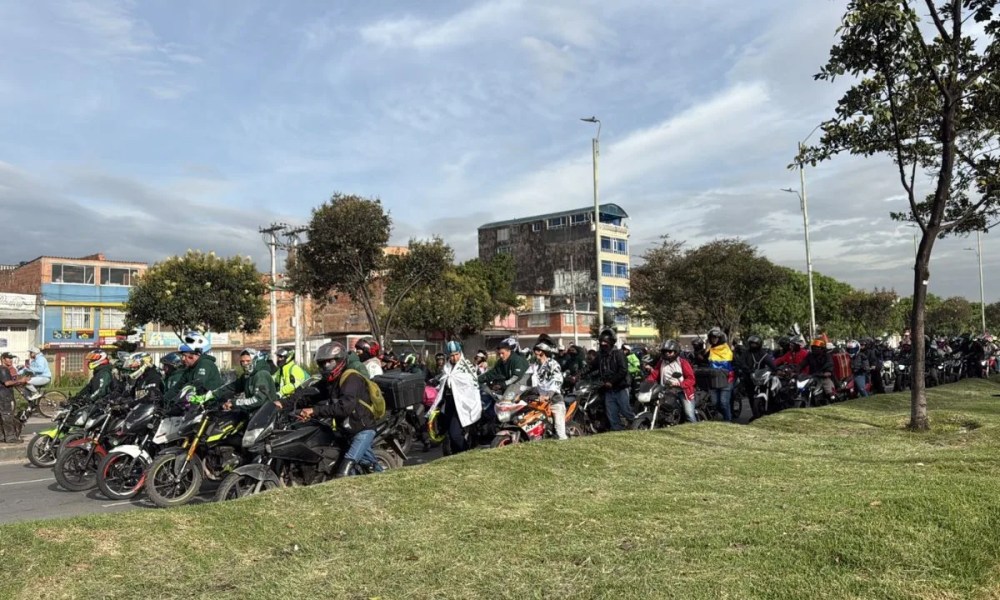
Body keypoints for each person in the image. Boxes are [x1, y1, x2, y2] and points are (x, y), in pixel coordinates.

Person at [297, 342, 380, 476]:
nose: (325, 366)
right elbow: (310, 397)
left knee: (344, 471)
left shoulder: (351, 378)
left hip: (362, 430)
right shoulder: (331, 382)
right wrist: (287, 404)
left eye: (329, 362)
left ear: (339, 361)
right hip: (346, 431)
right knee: (369, 464)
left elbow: (344, 408)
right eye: (322, 363)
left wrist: (314, 411)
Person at [427, 341, 482, 453]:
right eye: (452, 355)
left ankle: (465, 453)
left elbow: (472, 385)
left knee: (455, 433)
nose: (455, 357)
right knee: (448, 435)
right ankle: (456, 456)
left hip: (461, 404)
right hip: (448, 403)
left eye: (456, 354)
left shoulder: (466, 366)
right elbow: (444, 382)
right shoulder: (447, 367)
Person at [193, 349, 277, 413]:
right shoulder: (247, 376)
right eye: (242, 361)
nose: (245, 364)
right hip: (254, 413)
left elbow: (258, 399)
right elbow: (231, 388)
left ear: (255, 360)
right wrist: (210, 395)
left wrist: (234, 403)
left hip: (266, 415)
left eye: (248, 361)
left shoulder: (261, 374)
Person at [590, 328, 632, 430]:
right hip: (608, 390)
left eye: (605, 343)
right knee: (612, 414)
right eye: (601, 342)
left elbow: (623, 370)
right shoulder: (600, 356)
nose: (603, 345)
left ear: (611, 342)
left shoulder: (619, 354)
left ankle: (637, 426)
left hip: (620, 388)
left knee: (625, 411)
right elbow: (590, 367)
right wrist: (577, 375)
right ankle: (617, 431)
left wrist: (611, 381)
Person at [645, 339, 697, 423]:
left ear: (675, 352)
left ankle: (696, 429)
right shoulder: (661, 362)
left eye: (670, 351)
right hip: (666, 390)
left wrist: (680, 384)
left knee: (689, 414)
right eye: (665, 351)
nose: (667, 353)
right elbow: (655, 374)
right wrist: (647, 382)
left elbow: (691, 379)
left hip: (683, 391)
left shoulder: (683, 362)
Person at [528, 341, 567, 440]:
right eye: (535, 350)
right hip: (539, 402)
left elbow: (557, 380)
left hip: (554, 401)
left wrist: (548, 395)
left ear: (543, 352)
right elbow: (525, 378)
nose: (535, 353)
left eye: (537, 350)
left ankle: (564, 444)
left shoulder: (553, 364)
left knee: (559, 431)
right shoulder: (534, 366)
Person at [735, 335, 776, 421]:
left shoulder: (763, 354)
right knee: (750, 396)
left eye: (755, 344)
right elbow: (741, 362)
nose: (753, 346)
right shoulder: (746, 353)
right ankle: (755, 413)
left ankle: (770, 409)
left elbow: (770, 362)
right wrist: (748, 370)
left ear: (759, 344)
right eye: (751, 344)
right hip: (749, 378)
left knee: (770, 389)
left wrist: (776, 369)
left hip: (761, 377)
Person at [706, 327, 735, 422]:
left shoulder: (728, 350)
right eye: (712, 337)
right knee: (714, 403)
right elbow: (702, 359)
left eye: (715, 337)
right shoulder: (710, 350)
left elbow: (735, 363)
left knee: (724, 402)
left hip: (726, 380)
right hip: (714, 380)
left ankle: (728, 421)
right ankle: (727, 415)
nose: (713, 339)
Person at [802, 338, 837, 402]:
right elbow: (802, 364)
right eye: (813, 347)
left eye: (816, 348)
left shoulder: (827, 356)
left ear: (822, 348)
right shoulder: (810, 356)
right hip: (812, 377)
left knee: (829, 391)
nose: (814, 349)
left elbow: (830, 365)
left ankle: (833, 400)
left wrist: (827, 372)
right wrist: (795, 371)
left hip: (823, 376)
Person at [0, 352, 22, 442]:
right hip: (5, 397)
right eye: (9, 358)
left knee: (2, 417)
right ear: (3, 359)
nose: (11, 360)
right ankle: (11, 437)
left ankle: (2, 436)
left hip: (2, 396)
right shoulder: (4, 369)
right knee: (8, 416)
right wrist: (21, 380)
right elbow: (7, 383)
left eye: (11, 358)